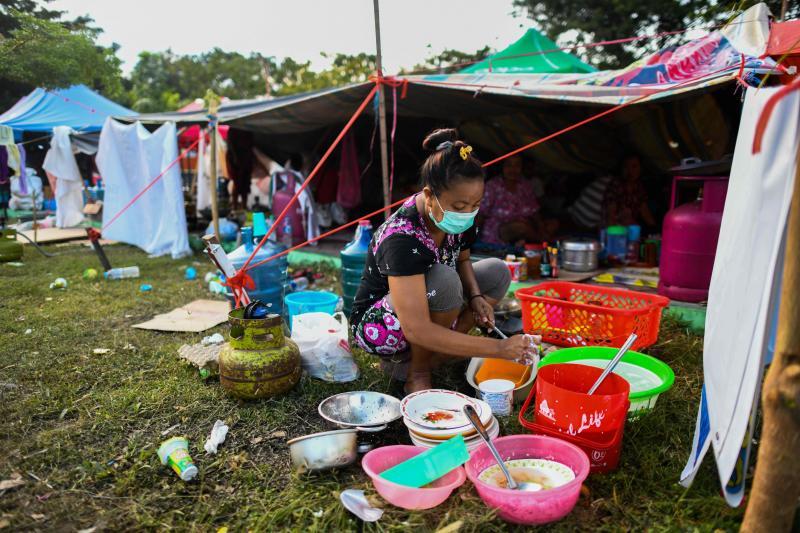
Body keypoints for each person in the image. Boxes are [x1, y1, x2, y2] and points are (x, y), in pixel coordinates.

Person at [349, 129, 537, 393]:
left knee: (497, 272)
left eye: (476, 204)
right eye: (459, 207)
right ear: (429, 195)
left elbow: (463, 258)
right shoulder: (401, 237)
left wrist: (475, 296)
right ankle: (418, 372)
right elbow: (416, 329)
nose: (468, 213)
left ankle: (436, 355)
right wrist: (499, 348)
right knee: (444, 281)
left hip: (433, 297)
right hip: (382, 325)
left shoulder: (459, 216)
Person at [478, 155, 547, 245]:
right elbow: (482, 213)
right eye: (508, 165)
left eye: (517, 165)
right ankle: (541, 240)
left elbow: (534, 211)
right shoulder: (492, 185)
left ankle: (528, 240)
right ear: (502, 167)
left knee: (552, 224)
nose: (513, 169)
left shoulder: (525, 185)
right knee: (520, 227)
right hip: (499, 230)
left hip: (526, 227)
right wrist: (473, 236)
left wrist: (541, 228)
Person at [604, 154, 656, 228]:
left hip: (629, 228)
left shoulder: (639, 187)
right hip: (614, 229)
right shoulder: (615, 185)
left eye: (634, 166)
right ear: (621, 169)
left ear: (640, 169)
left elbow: (644, 210)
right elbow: (610, 214)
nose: (630, 171)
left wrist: (654, 228)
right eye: (626, 166)